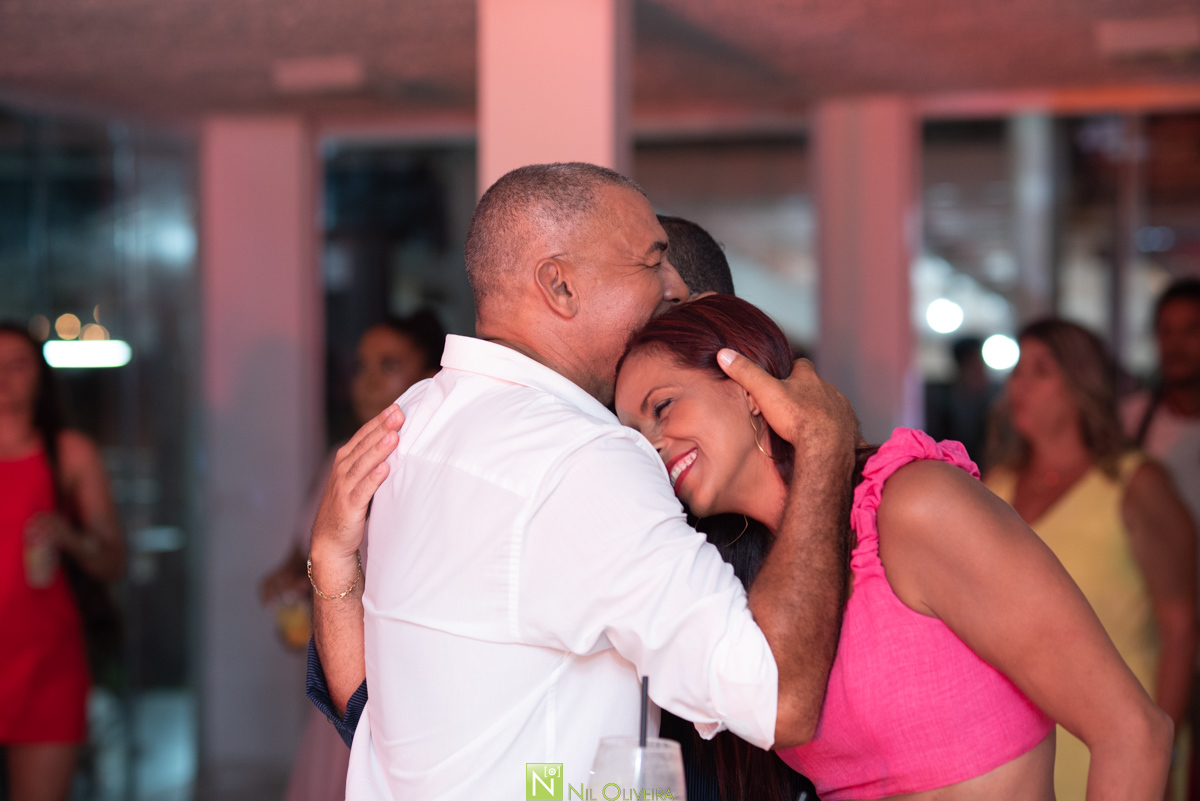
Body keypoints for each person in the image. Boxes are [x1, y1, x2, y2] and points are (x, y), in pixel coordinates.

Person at [305, 163, 859, 800]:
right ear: (560, 286)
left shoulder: (416, 425)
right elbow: (779, 699)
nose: (671, 284)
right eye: (652, 262)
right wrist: (823, 446)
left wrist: (333, 561)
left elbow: (383, 723)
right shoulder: (581, 457)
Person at [616, 296, 1171, 800]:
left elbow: (1133, 732)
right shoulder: (755, 580)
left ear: (745, 385)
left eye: (662, 408)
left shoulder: (912, 507)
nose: (653, 444)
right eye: (634, 434)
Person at [985, 318, 1197, 801]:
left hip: (1115, 732)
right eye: (1017, 370)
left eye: (1041, 370)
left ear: (1082, 384)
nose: (1020, 384)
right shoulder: (994, 483)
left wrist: (1157, 756)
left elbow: (1181, 628)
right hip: (1017, 739)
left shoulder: (1136, 484)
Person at [260, 311, 445, 801]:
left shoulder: (430, 470)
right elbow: (302, 552)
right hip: (334, 678)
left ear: (428, 379)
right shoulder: (341, 460)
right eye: (360, 365)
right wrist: (290, 581)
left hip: (396, 685)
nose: (366, 380)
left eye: (387, 364)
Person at [0, 323, 125, 801]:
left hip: (47, 663)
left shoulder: (70, 454)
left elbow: (112, 560)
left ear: (40, 376)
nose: (5, 377)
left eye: (18, 364)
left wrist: (69, 537)